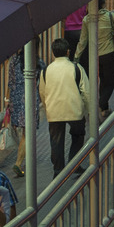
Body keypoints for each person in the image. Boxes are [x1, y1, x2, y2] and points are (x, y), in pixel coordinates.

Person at [38, 38, 90, 175]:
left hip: (54, 112)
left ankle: (58, 170)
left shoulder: (46, 70)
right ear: (68, 52)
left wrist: (46, 107)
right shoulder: (76, 68)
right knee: (78, 135)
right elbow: (86, 92)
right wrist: (89, 111)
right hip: (75, 110)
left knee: (56, 141)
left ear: (53, 53)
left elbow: (42, 92)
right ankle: (75, 164)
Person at [75, 0, 114, 119]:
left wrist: (76, 57)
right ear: (103, 3)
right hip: (109, 54)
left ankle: (104, 109)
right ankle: (98, 107)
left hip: (94, 57)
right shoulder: (111, 16)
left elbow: (82, 41)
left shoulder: (86, 20)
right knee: (109, 83)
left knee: (101, 81)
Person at [6, 43, 44, 178]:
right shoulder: (38, 62)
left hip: (15, 98)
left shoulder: (13, 61)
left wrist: (8, 100)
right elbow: (41, 82)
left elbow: (10, 82)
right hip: (30, 97)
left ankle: (21, 159)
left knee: (23, 132)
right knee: (27, 133)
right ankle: (18, 162)